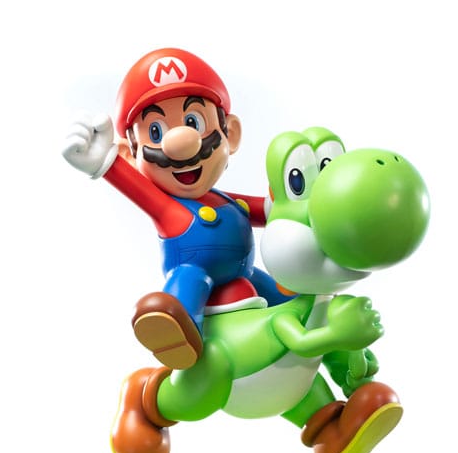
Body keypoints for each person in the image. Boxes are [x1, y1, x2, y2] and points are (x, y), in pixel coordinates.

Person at [63, 48, 291, 369]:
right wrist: (103, 162)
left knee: (293, 299)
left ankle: (318, 328)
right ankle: (178, 332)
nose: (179, 143)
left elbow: (271, 211)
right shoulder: (167, 208)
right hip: (195, 274)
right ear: (131, 154)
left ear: (230, 134)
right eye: (156, 132)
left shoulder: (230, 203)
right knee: (188, 281)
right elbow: (134, 187)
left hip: (246, 274)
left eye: (193, 121)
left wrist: (295, 198)